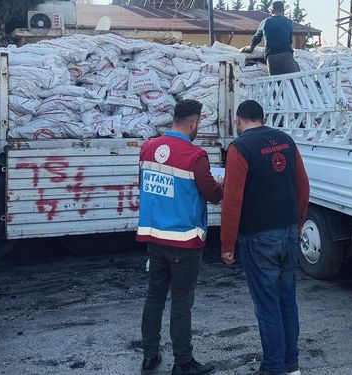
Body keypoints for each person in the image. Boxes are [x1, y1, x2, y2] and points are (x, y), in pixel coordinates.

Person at [220, 100, 310, 375]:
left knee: (267, 305)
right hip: (287, 232)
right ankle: (291, 365)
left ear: (238, 120)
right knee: (287, 302)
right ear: (263, 117)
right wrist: (297, 224)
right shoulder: (285, 140)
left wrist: (227, 244)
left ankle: (273, 367)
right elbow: (303, 186)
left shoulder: (240, 148)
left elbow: (232, 199)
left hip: (259, 238)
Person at [137, 99, 223, 375]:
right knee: (182, 302)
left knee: (154, 297)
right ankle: (183, 362)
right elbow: (212, 194)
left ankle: (150, 355)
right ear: (194, 123)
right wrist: (221, 184)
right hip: (184, 241)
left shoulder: (148, 148)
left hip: (154, 237)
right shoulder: (195, 155)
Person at [241, 1, 301, 75]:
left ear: (271, 11)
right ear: (283, 11)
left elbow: (256, 39)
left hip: (272, 58)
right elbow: (289, 41)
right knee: (294, 82)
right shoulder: (288, 22)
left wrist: (250, 49)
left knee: (277, 84)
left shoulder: (265, 22)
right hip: (287, 56)